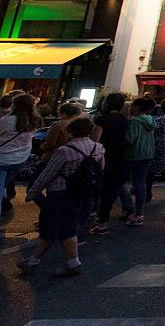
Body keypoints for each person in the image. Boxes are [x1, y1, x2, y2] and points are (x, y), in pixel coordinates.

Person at [18, 116, 104, 278]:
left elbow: (48, 173)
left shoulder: (65, 151)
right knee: (58, 227)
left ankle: (73, 263)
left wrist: (34, 190)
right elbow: (100, 170)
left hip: (60, 192)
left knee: (61, 228)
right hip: (83, 192)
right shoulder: (98, 148)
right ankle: (33, 261)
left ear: (71, 132)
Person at [90, 92, 131, 234]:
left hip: (105, 158)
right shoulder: (124, 120)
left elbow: (95, 140)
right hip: (121, 158)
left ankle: (100, 220)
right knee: (113, 190)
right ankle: (104, 219)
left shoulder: (102, 119)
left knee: (102, 190)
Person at [0, 94, 43, 217]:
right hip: (21, 158)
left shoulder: (7, 121)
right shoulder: (36, 120)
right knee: (4, 185)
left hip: (2, 158)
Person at [123, 97, 156, 227]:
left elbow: (129, 140)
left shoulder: (134, 122)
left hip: (133, 155)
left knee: (119, 181)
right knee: (140, 183)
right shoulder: (150, 120)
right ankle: (139, 214)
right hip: (147, 154)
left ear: (136, 107)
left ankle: (129, 209)